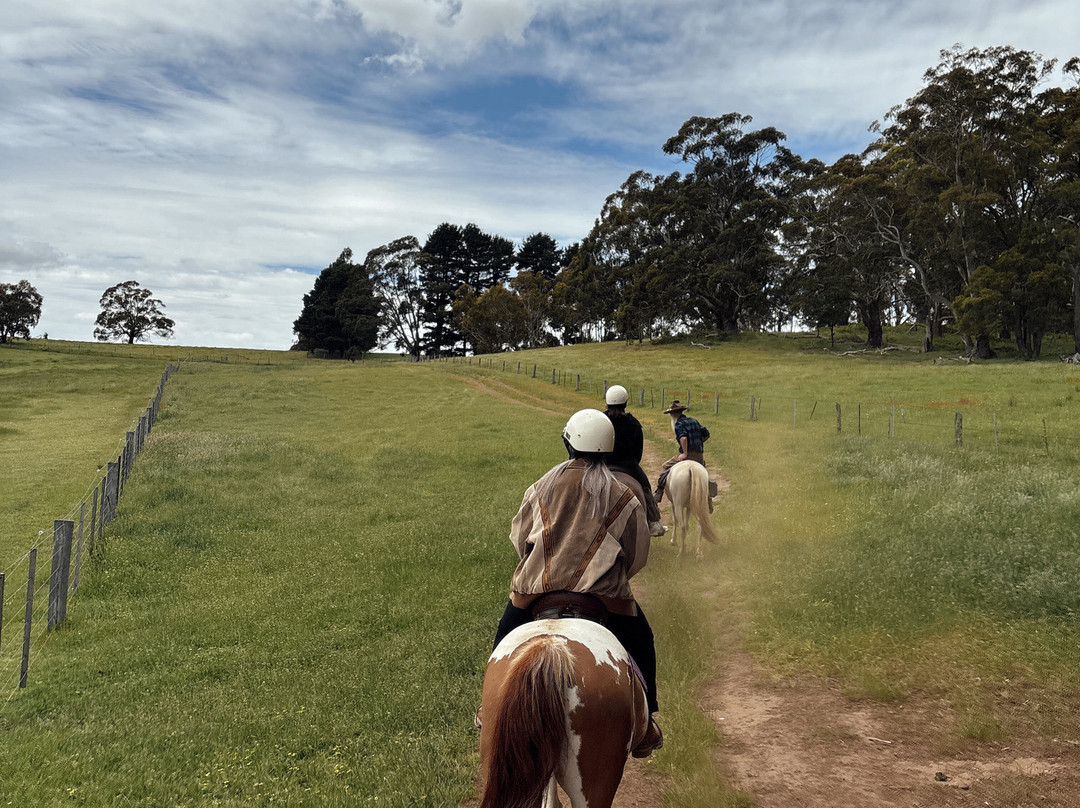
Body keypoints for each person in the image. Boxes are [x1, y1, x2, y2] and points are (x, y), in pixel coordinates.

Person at [489, 408, 663, 757]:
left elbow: (519, 537)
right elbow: (637, 554)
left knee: (505, 635)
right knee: (642, 639)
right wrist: (612, 577)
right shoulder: (624, 494)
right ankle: (649, 721)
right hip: (603, 597)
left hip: (536, 589)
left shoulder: (541, 486)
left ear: (568, 444)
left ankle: (488, 708)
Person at [603, 385, 666, 537]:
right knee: (644, 486)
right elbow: (638, 452)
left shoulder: (601, 420)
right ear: (625, 403)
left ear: (607, 402)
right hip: (628, 464)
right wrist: (632, 462)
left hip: (601, 463)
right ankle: (652, 521)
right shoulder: (633, 423)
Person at [653, 400, 713, 505]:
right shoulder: (694, 421)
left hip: (687, 456)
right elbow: (706, 434)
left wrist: (685, 453)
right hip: (699, 456)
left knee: (665, 467)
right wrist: (699, 441)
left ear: (672, 414)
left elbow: (683, 438)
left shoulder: (678, 424)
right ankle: (708, 498)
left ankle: (659, 491)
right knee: (703, 471)